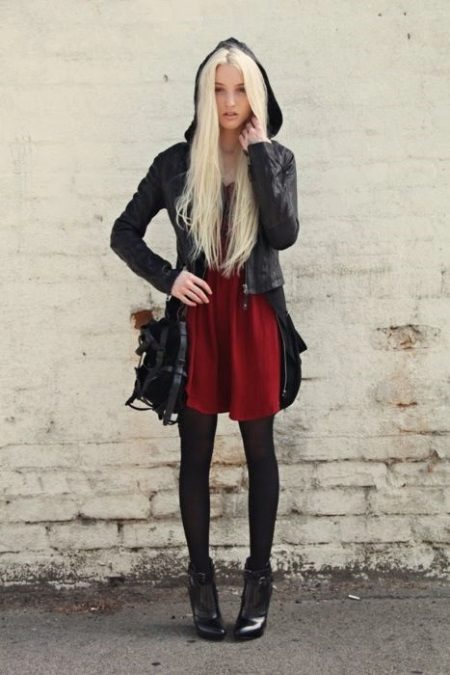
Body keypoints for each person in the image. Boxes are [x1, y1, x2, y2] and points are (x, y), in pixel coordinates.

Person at [110, 37, 304, 642]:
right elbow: (123, 231)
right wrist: (169, 278)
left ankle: (258, 583)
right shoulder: (175, 163)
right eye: (218, 89)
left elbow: (283, 233)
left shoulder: (276, 158)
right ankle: (201, 583)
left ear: (257, 93)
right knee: (194, 452)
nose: (229, 101)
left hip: (254, 317)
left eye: (240, 88)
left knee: (260, 451)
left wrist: (261, 155)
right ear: (203, 94)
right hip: (197, 325)